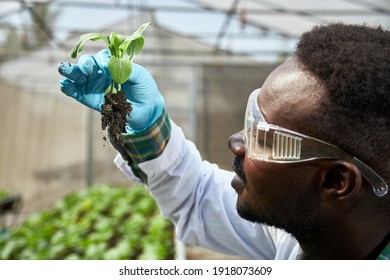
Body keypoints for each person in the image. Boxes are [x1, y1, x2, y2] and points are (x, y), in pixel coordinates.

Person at [58, 22, 390, 260]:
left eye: (264, 138)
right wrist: (149, 127)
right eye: (251, 118)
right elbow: (196, 198)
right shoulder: (313, 235)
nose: (237, 142)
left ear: (336, 181)